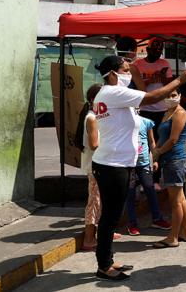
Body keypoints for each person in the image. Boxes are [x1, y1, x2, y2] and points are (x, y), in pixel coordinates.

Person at [91, 55, 186, 281]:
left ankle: (107, 259)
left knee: (112, 215)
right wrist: (179, 80)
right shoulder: (113, 92)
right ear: (114, 73)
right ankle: (104, 266)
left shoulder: (111, 96)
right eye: (127, 70)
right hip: (111, 164)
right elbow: (152, 96)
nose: (131, 73)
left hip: (116, 163)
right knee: (110, 216)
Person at [150, 89, 186, 249]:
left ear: (180, 96)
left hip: (176, 160)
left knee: (175, 202)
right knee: (180, 198)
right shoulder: (168, 112)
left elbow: (173, 139)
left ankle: (173, 237)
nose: (170, 98)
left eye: (173, 95)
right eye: (167, 95)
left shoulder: (180, 113)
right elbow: (163, 137)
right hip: (170, 160)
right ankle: (184, 233)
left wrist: (158, 152)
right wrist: (156, 152)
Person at [125, 117, 170, 236]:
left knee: (150, 190)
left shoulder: (146, 122)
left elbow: (152, 142)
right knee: (130, 194)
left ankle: (157, 219)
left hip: (144, 163)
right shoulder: (123, 121)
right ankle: (132, 223)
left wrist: (154, 160)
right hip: (128, 164)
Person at [78, 84, 105, 251]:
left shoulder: (97, 117)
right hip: (95, 165)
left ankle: (100, 233)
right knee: (94, 202)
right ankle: (89, 238)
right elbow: (94, 144)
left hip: (100, 164)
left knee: (100, 201)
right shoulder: (92, 118)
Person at [131, 38, 173, 134]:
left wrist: (162, 78)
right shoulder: (137, 64)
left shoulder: (164, 63)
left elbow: (170, 85)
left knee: (160, 138)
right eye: (154, 51)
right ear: (147, 50)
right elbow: (134, 87)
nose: (157, 54)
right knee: (145, 137)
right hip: (144, 108)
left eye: (159, 52)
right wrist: (150, 81)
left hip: (162, 108)